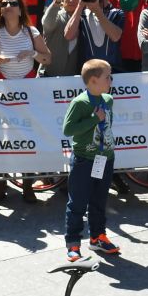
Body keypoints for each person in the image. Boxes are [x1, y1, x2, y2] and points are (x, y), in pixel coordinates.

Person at [62, 58, 122, 261]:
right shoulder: (79, 103)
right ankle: (73, 243)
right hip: (84, 159)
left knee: (99, 200)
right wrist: (94, 119)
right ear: (94, 80)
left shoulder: (108, 99)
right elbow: (68, 130)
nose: (111, 80)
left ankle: (97, 237)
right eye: (108, 77)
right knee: (77, 202)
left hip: (105, 159)